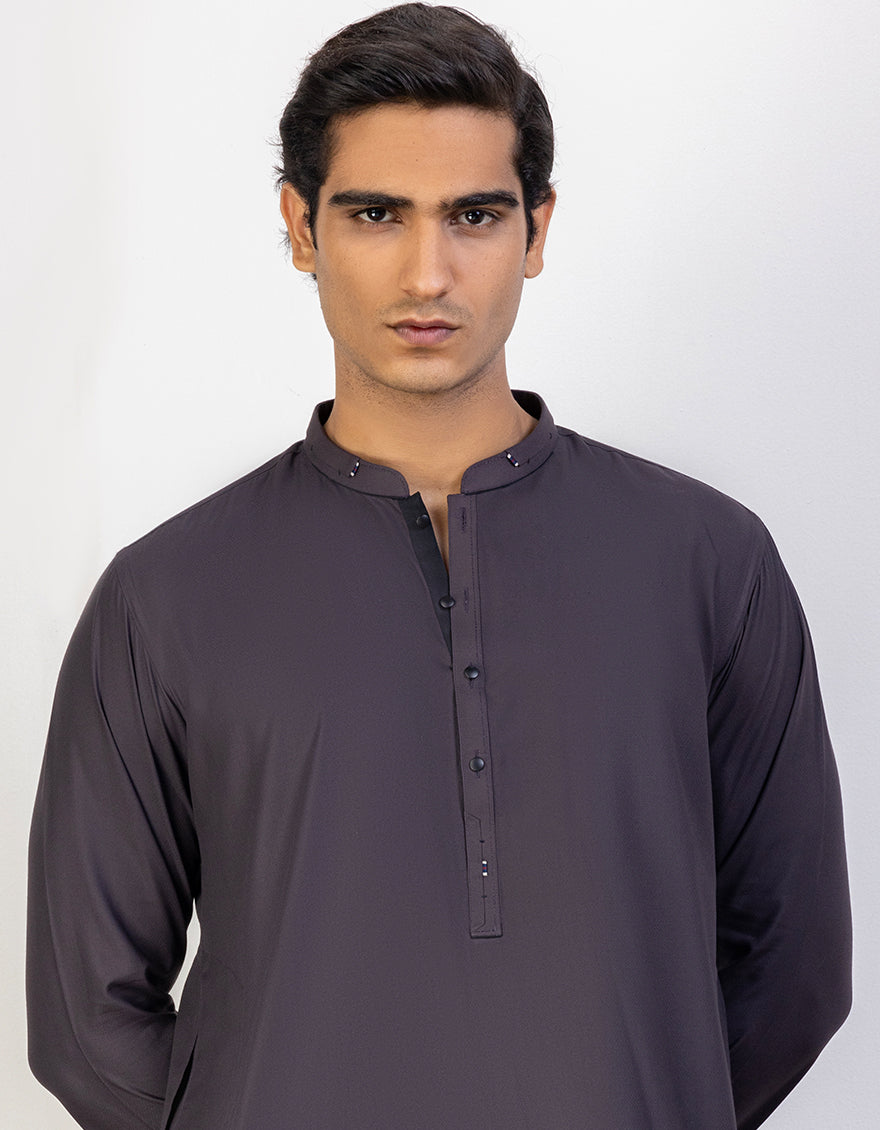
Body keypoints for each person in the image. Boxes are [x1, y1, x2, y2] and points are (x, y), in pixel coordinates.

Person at [26, 4, 851, 1129]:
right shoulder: (164, 595)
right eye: (376, 214)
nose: (429, 272)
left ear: (537, 230)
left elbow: (793, 965)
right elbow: (85, 1017)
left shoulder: (709, 561)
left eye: (475, 215)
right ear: (301, 226)